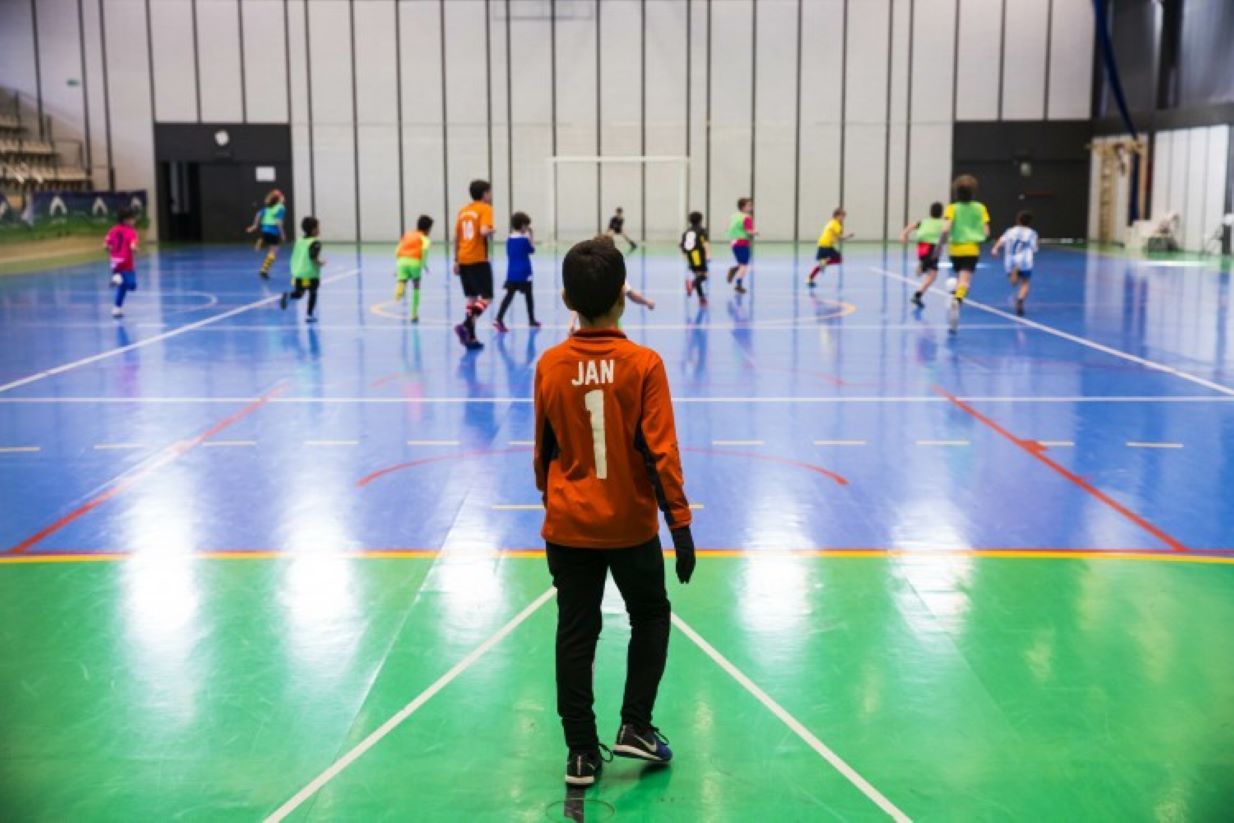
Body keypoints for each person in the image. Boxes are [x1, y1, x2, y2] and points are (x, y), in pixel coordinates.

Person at [534, 237, 696, 788]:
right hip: (629, 525)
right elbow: (662, 452)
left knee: (576, 632)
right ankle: (636, 725)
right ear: (624, 297)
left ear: (564, 298)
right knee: (650, 614)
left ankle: (581, 752)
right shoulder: (644, 364)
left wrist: (552, 497)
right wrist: (680, 524)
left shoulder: (551, 365)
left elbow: (544, 449)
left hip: (569, 525)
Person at [938, 174, 991, 332]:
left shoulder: (952, 208)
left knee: (958, 275)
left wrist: (941, 243)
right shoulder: (981, 208)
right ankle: (958, 298)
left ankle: (954, 294)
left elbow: (946, 228)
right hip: (971, 249)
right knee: (965, 279)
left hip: (955, 249)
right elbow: (987, 232)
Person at [453, 179, 496, 350]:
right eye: (490, 192)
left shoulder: (464, 211)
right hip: (477, 258)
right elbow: (484, 231)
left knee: (471, 297)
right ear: (485, 194)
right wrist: (492, 230)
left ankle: (470, 337)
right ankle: (466, 325)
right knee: (487, 297)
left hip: (463, 258)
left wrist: (455, 260)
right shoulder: (485, 209)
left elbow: (456, 237)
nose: (491, 195)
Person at [494, 211, 541, 331]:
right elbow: (532, 250)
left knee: (509, 296)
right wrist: (531, 237)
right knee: (529, 297)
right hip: (524, 272)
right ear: (522, 225)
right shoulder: (524, 239)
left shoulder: (509, 239)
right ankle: (531, 320)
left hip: (511, 273)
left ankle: (498, 318)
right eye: (526, 225)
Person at [990, 210, 1039, 316]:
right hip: (1025, 261)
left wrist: (995, 249)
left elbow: (1002, 240)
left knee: (1013, 283)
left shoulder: (1010, 231)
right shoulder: (1032, 233)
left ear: (1018, 220)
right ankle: (1020, 300)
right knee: (1025, 283)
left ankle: (1015, 271)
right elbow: (1034, 248)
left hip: (1010, 260)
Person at [279, 216, 324, 323]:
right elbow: (313, 257)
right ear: (314, 230)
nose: (319, 229)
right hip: (310, 273)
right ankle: (309, 314)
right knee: (313, 292)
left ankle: (288, 296)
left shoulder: (299, 240)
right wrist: (320, 262)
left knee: (299, 293)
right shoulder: (315, 242)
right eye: (318, 227)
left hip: (297, 272)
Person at [900, 202, 945, 307]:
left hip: (921, 247)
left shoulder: (924, 221)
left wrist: (903, 234)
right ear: (941, 213)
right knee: (931, 274)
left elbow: (912, 225)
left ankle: (918, 295)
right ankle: (922, 267)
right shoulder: (942, 223)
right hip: (932, 248)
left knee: (932, 273)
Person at [394, 215, 433, 323]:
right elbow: (424, 251)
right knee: (416, 287)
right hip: (415, 263)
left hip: (401, 261)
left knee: (402, 279)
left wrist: (398, 264)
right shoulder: (425, 239)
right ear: (428, 229)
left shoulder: (407, 234)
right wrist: (423, 265)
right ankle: (414, 314)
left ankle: (399, 289)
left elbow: (397, 250)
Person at [104, 207, 139, 318]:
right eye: (132, 219)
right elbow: (132, 245)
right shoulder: (131, 232)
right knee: (132, 285)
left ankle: (116, 308)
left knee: (122, 286)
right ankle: (116, 278)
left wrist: (111, 249)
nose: (134, 221)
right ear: (126, 220)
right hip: (126, 263)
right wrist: (135, 249)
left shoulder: (113, 230)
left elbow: (105, 245)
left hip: (114, 262)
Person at [806, 207, 854, 287]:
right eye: (842, 216)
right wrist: (849, 236)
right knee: (839, 259)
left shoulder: (831, 222)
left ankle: (810, 278)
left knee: (822, 264)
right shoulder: (836, 224)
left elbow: (833, 236)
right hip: (826, 245)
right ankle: (824, 263)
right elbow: (840, 238)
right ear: (837, 216)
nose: (843, 219)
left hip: (822, 244)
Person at [246, 189, 286, 279]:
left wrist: (254, 226)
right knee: (273, 252)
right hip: (273, 231)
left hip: (264, 230)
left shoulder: (268, 208)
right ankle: (264, 270)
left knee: (268, 247)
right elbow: (279, 222)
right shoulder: (281, 208)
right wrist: (282, 234)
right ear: (279, 199)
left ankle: (261, 241)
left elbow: (258, 214)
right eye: (281, 196)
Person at [680, 211, 710, 307]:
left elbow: (682, 245)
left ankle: (702, 299)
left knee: (698, 276)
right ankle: (691, 284)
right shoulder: (702, 230)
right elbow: (705, 243)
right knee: (704, 276)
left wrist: (687, 256)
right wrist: (708, 254)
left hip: (690, 255)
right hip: (698, 255)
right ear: (701, 220)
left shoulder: (686, 232)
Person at [725, 197, 756, 293]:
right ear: (743, 207)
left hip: (733, 242)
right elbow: (749, 231)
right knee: (744, 265)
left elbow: (731, 228)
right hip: (742, 242)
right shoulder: (747, 218)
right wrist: (756, 232)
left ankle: (734, 269)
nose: (751, 207)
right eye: (749, 205)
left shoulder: (734, 216)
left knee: (741, 263)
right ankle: (738, 285)